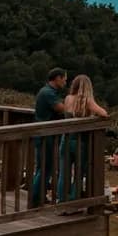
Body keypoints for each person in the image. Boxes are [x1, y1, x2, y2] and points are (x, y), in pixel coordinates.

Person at [30, 68, 68, 205]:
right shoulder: (48, 93)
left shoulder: (46, 91)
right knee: (45, 167)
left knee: (44, 167)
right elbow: (62, 109)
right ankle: (34, 199)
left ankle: (39, 196)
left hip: (43, 134)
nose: (65, 81)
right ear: (57, 78)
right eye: (64, 78)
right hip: (45, 135)